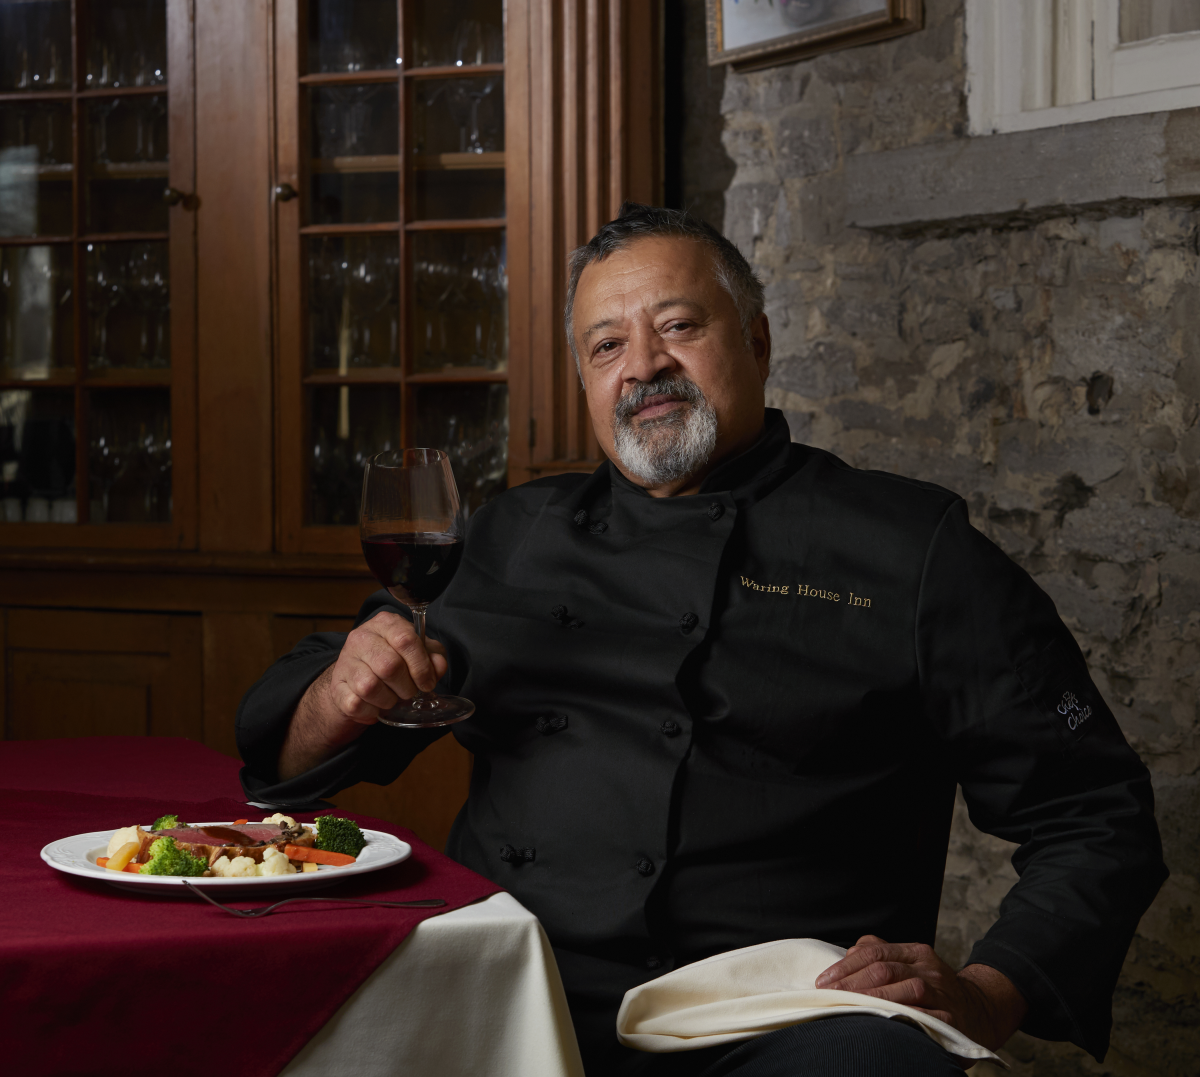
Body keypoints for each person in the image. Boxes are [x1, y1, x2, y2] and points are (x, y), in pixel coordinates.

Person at [238, 204, 1167, 1075]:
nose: (643, 365)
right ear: (588, 383)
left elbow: (1093, 812)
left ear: (756, 341)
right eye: (608, 346)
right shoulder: (512, 534)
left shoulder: (914, 551)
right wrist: (340, 692)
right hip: (516, 985)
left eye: (678, 326)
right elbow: (293, 737)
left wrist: (992, 993)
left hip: (778, 1017)